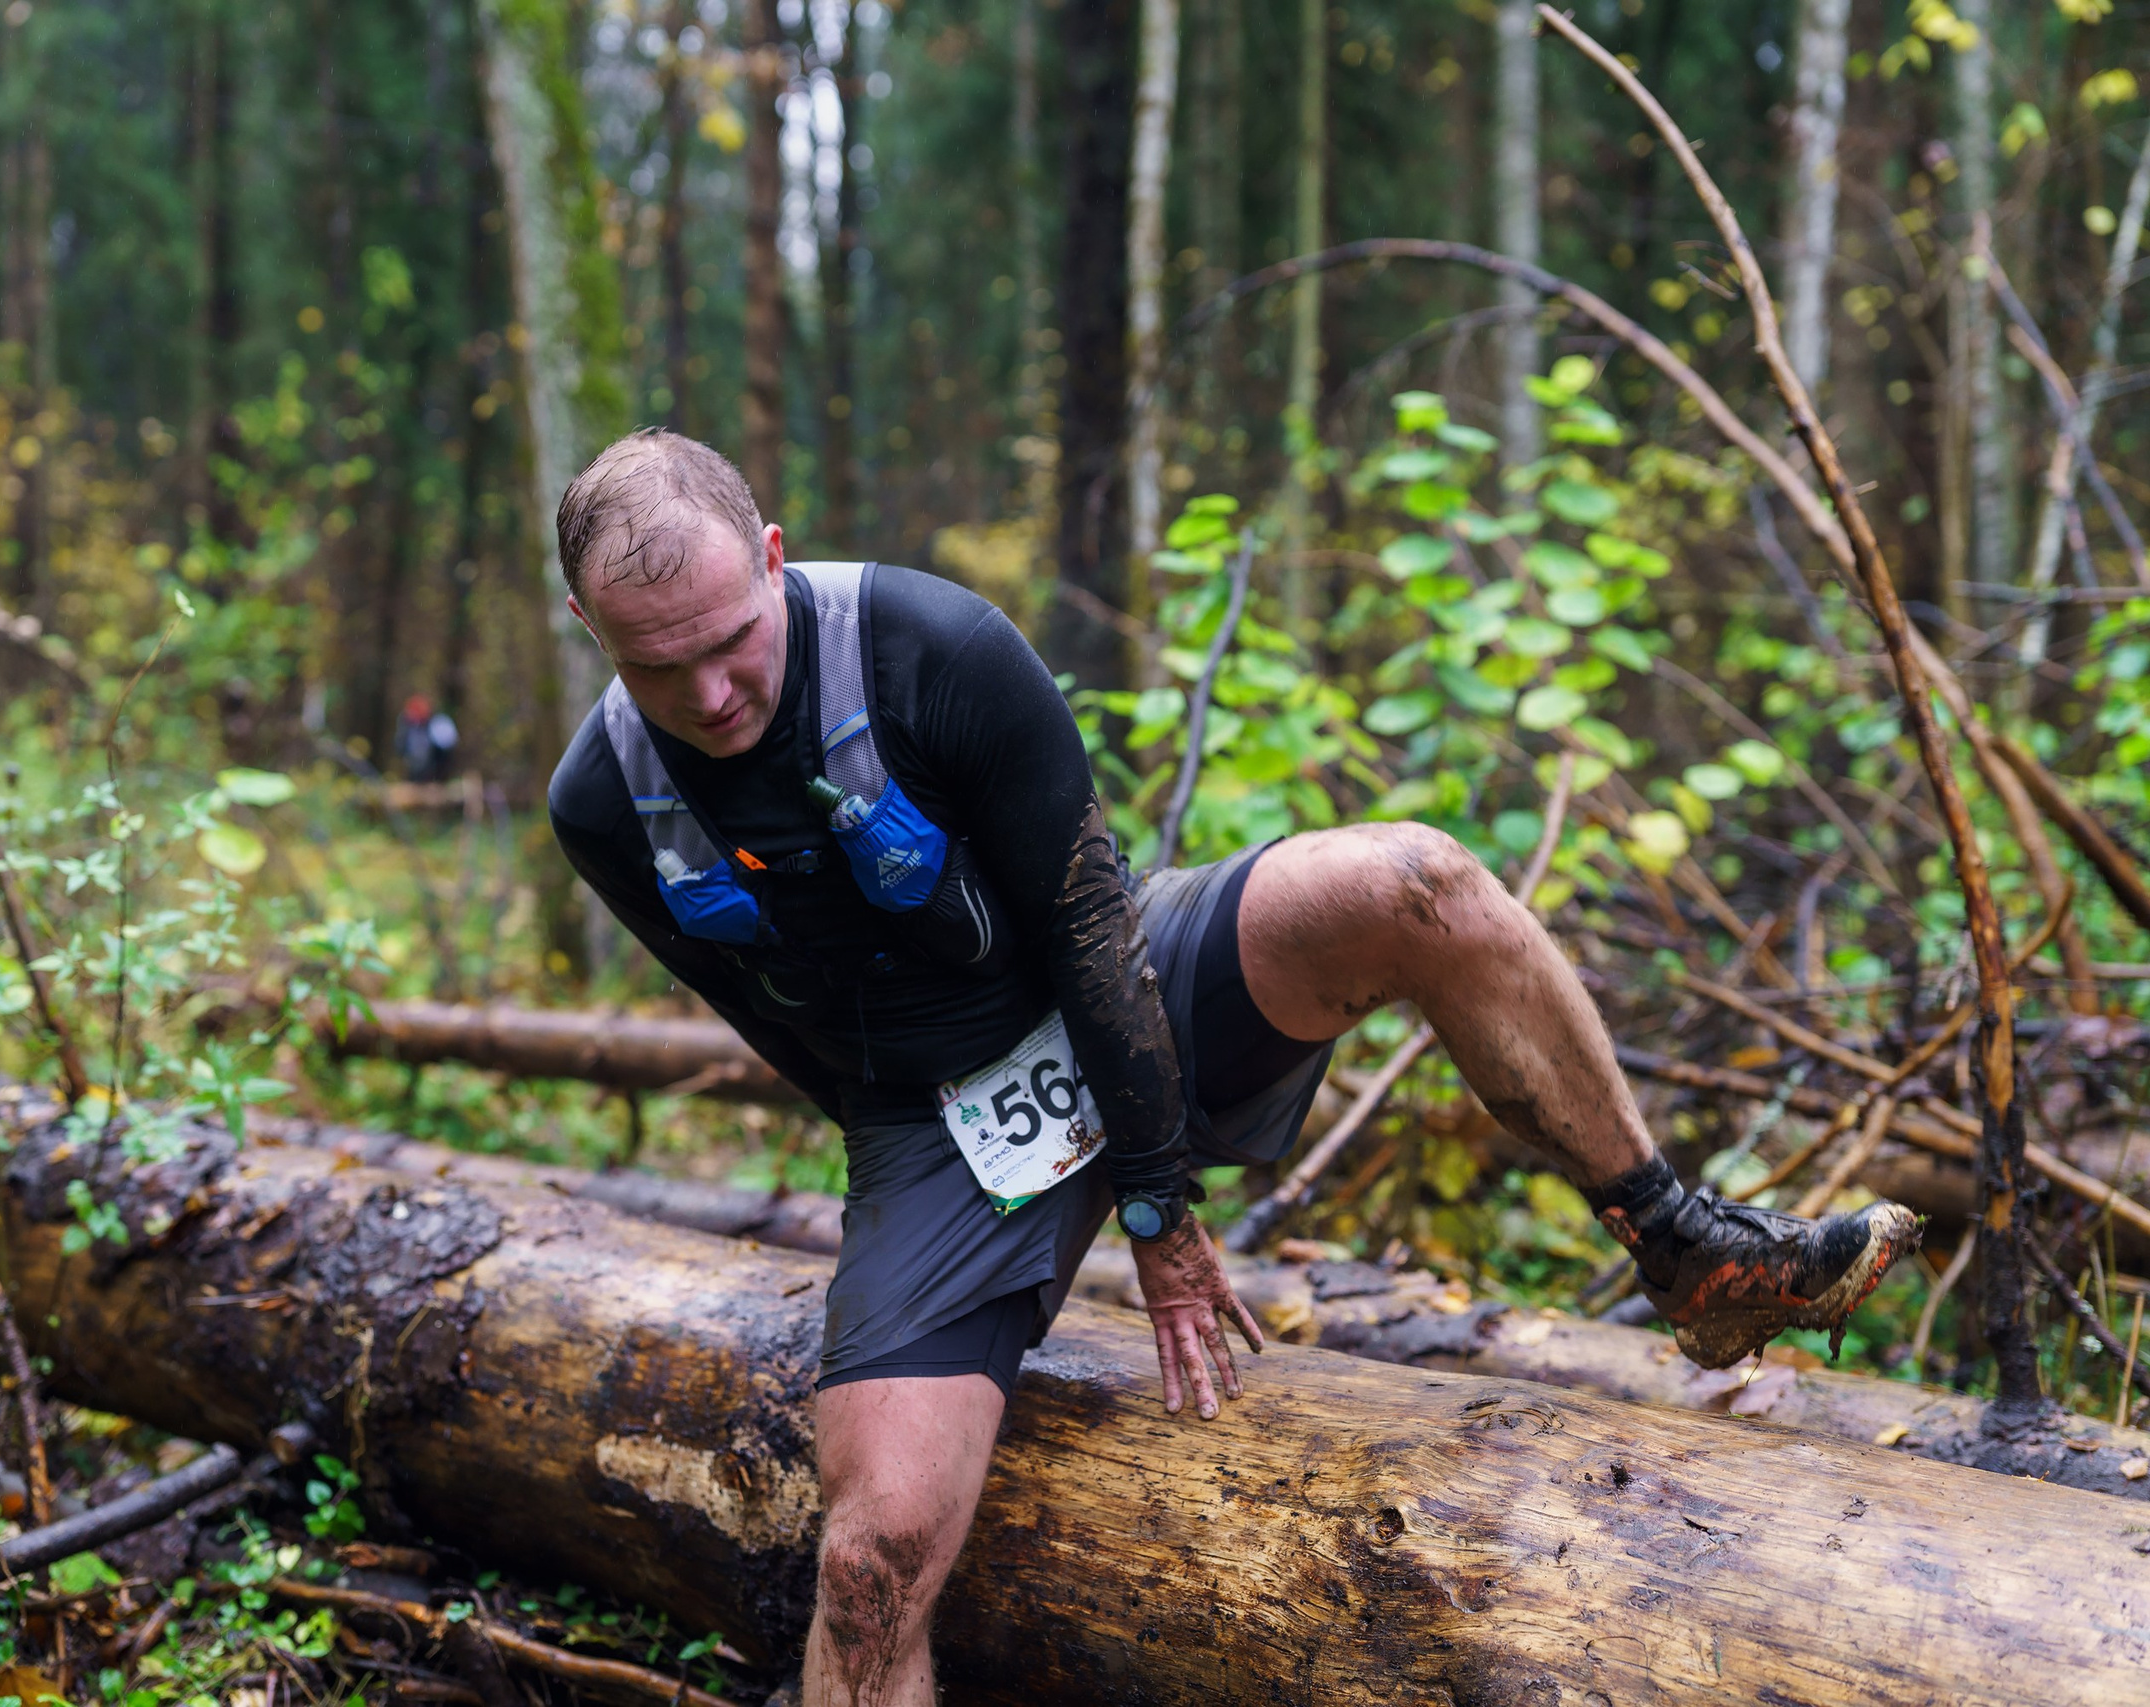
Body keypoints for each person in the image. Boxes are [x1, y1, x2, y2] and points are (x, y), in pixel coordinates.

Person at [546, 430, 1918, 1707]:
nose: (711, 694)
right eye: (658, 667)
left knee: (1414, 882)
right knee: (867, 1570)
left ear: (774, 558)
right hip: (937, 1111)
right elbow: (770, 1021)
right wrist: (927, 1198)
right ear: (590, 632)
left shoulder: (929, 645)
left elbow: (1090, 927)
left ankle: (1680, 1245)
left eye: (731, 641)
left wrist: (1155, 1203)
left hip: (1131, 980)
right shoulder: (603, 800)